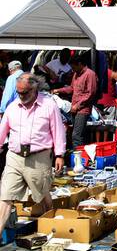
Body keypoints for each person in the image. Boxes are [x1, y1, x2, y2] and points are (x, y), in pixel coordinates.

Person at [0, 72, 67, 235]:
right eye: (18, 92)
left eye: (24, 92)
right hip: (14, 157)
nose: (21, 96)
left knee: (42, 194)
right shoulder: (12, 107)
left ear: (34, 88)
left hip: (39, 157)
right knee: (5, 195)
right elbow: (2, 130)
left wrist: (59, 155)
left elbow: (58, 130)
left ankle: (50, 227)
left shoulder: (48, 105)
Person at [58, 54, 99, 150]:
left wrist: (78, 105)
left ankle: (78, 156)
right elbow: (72, 88)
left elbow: (90, 93)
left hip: (82, 110)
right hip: (75, 109)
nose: (73, 70)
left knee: (76, 136)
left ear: (80, 64)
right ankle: (81, 153)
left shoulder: (90, 74)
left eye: (73, 67)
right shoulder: (76, 74)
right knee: (78, 134)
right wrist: (58, 90)